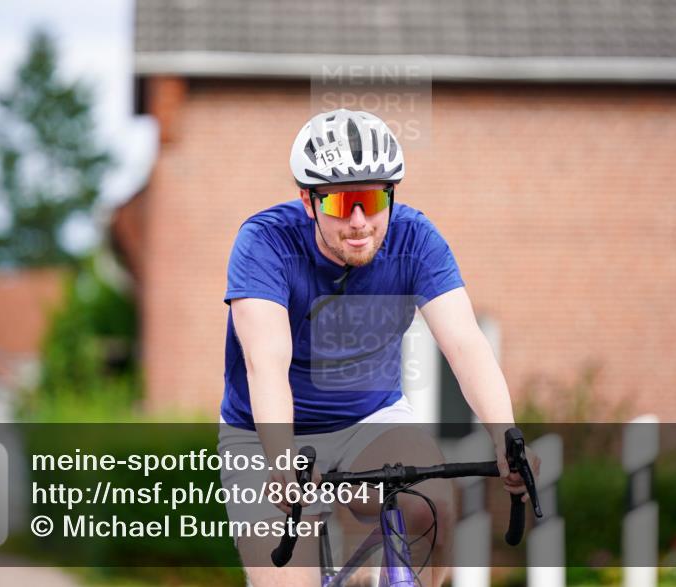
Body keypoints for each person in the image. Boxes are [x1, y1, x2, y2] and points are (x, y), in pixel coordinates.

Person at [218, 108, 539, 587]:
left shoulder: (416, 239)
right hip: (264, 434)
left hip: (371, 419)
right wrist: (282, 459)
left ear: (392, 193)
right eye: (339, 202)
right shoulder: (265, 243)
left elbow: (466, 344)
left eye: (371, 200)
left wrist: (503, 436)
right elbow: (266, 363)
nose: (359, 222)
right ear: (308, 201)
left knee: (430, 508)